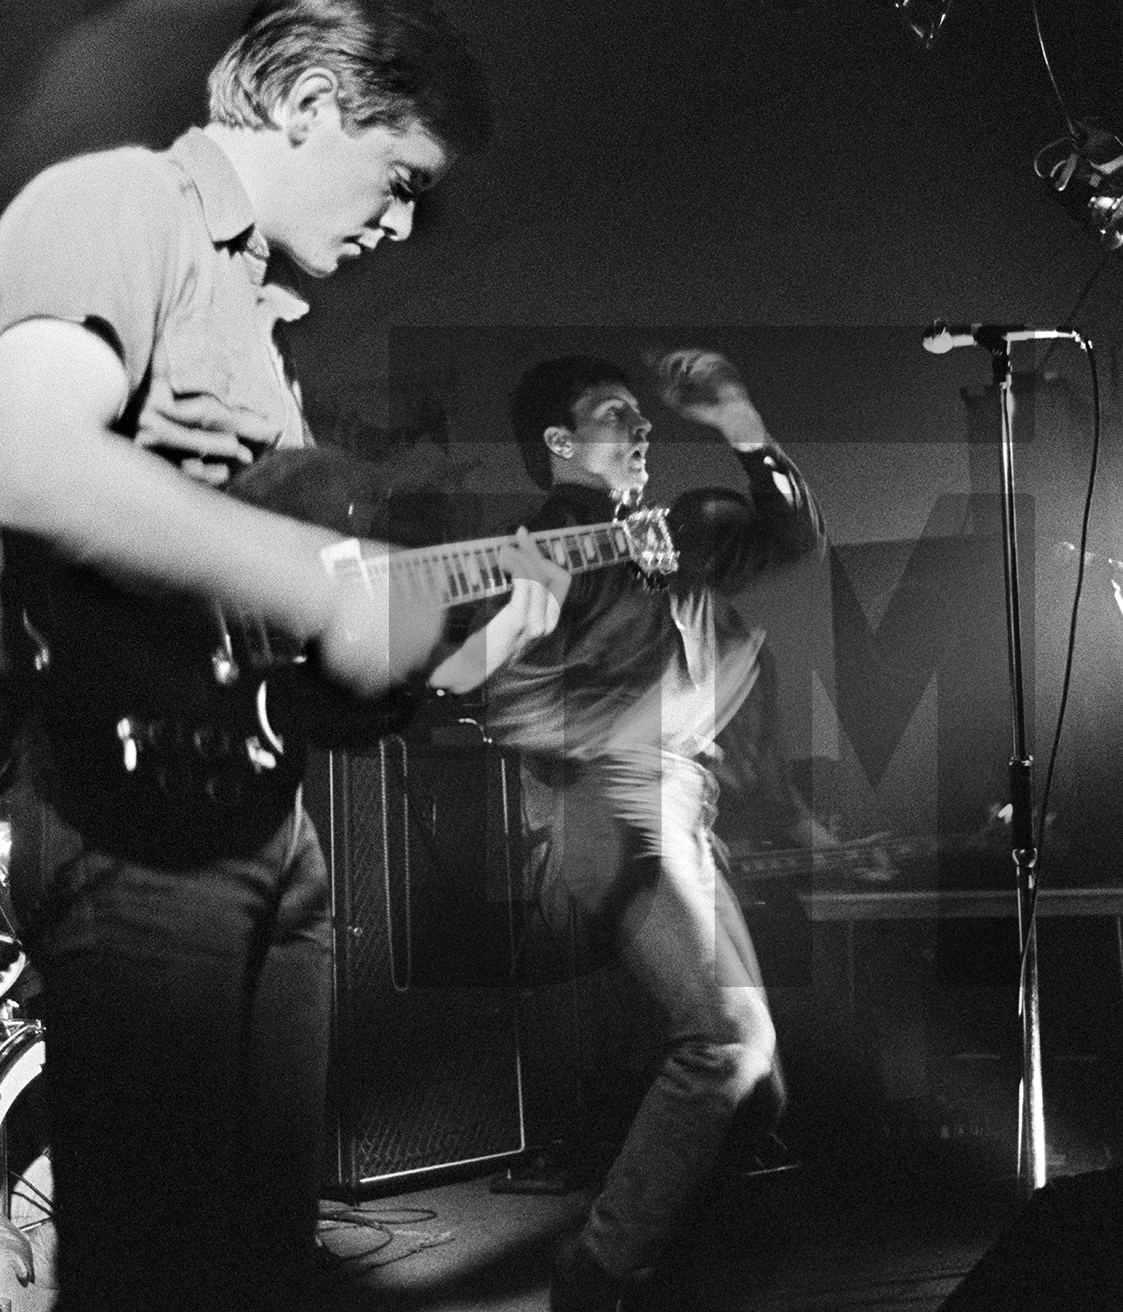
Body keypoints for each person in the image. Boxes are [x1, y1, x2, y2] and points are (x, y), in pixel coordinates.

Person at [0, 4, 564, 1309]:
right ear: (306, 110)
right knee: (155, 1266)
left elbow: (255, 651)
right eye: (398, 179)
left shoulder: (254, 331)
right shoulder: (120, 208)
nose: (402, 226)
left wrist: (433, 656)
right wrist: (309, 580)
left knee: (250, 1265)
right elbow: (31, 460)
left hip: (264, 835)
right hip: (138, 832)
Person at [484, 349, 825, 1310]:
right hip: (617, 799)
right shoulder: (545, 543)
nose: (641, 430)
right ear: (560, 443)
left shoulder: (663, 534)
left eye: (644, 416)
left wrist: (745, 431)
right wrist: (616, 737)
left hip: (677, 800)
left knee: (756, 1087)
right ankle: (596, 1279)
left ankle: (658, 1276)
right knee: (723, 1043)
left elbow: (791, 539)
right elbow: (500, 691)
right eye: (614, 414)